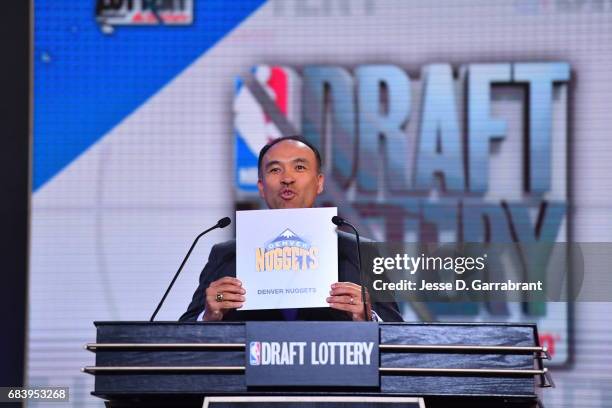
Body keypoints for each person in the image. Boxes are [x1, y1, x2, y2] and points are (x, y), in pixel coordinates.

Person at [180, 135, 402, 322]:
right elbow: (181, 337)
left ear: (319, 182)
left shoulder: (360, 252)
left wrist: (368, 318)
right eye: (275, 170)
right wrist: (208, 317)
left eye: (299, 167)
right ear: (261, 187)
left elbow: (400, 339)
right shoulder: (226, 254)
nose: (287, 178)